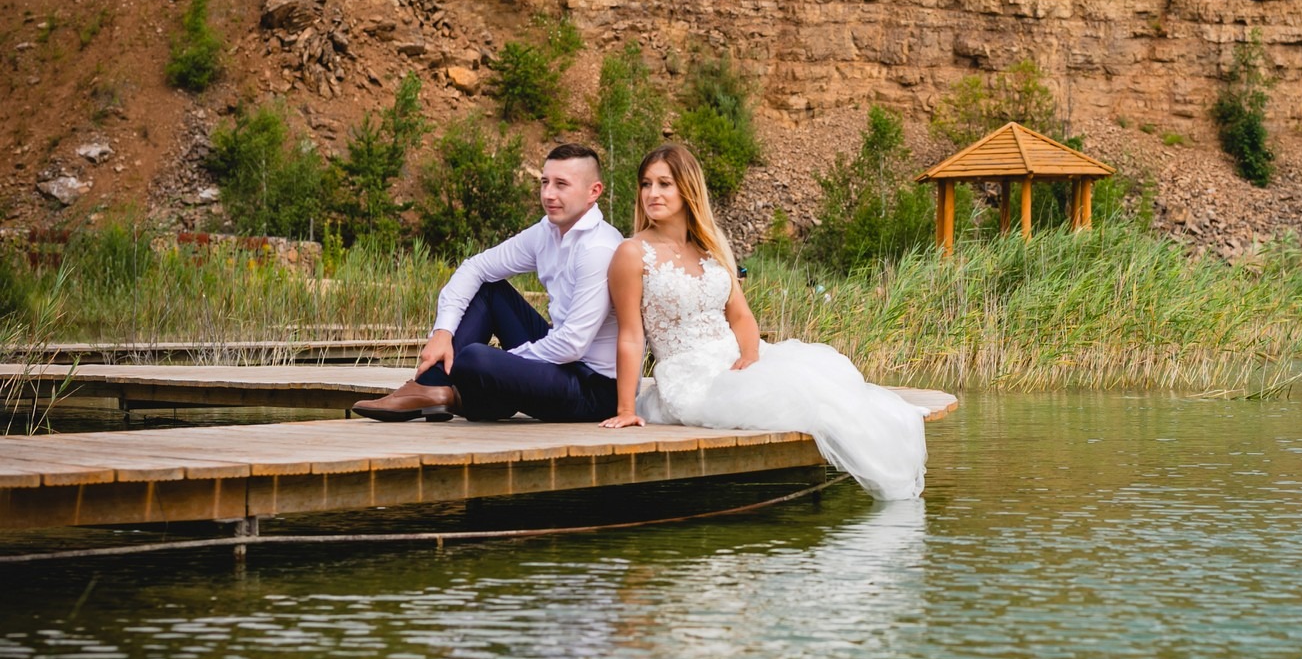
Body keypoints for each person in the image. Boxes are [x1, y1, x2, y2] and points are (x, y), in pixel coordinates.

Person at [598, 143, 928, 500]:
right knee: (785, 400)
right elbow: (631, 336)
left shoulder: (711, 249)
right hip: (687, 375)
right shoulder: (632, 253)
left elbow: (741, 316)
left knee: (821, 381)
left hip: (736, 358)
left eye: (664, 184)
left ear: (687, 189)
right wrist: (626, 409)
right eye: (646, 184)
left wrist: (751, 355)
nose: (652, 193)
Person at [351, 143, 624, 423]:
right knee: (488, 290)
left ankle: (468, 395)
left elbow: (572, 345)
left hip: (592, 390)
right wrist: (442, 332)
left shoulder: (598, 249)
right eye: (544, 182)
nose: (548, 194)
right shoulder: (547, 231)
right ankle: (434, 388)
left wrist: (504, 366)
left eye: (561, 184)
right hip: (558, 366)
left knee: (475, 360)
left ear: (594, 192)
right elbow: (476, 267)